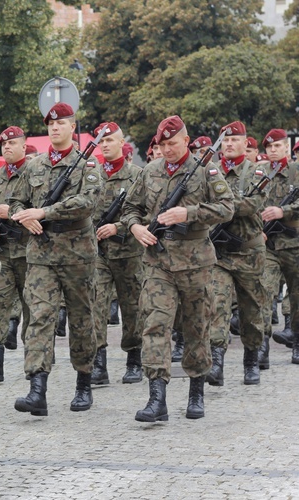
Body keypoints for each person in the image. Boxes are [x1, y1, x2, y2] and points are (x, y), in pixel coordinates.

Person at [120, 115, 234, 421]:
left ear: (186, 140)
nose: (167, 150)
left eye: (172, 143)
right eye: (162, 145)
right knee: (155, 325)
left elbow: (227, 208)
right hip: (158, 261)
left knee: (197, 326)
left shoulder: (205, 171)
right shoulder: (150, 172)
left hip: (196, 262)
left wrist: (190, 213)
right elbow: (130, 208)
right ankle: (157, 398)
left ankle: (196, 391)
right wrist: (135, 228)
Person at [8, 102, 101, 415]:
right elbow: (13, 202)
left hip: (78, 255)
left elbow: (87, 203)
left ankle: (84, 381)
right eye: (51, 124)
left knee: (81, 318)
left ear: (73, 128)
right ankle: (37, 388)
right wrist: (22, 216)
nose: (55, 128)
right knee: (39, 319)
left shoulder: (88, 166)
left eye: (61, 123)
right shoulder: (33, 166)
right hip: (42, 254)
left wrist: (45, 212)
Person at [205, 121, 268, 386]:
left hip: (249, 252)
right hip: (220, 254)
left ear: (245, 143)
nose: (229, 145)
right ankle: (216, 361)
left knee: (251, 310)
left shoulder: (256, 171)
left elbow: (252, 204)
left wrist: (219, 208)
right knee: (217, 306)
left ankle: (251, 359)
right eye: (225, 141)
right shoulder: (210, 171)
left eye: (234, 140)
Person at [90, 122, 145, 386]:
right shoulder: (92, 175)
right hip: (98, 254)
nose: (105, 145)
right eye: (101, 141)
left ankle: (134, 358)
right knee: (96, 306)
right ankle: (98, 364)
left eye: (110, 140)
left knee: (132, 307)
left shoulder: (137, 175)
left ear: (122, 142)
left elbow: (145, 211)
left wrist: (118, 226)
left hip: (129, 253)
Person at [0, 126, 31, 380]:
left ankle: (34, 363)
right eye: (4, 144)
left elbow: (42, 207)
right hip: (1, 251)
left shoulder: (35, 172)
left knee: (32, 307)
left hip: (29, 251)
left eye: (12, 143)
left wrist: (11, 213)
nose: (7, 147)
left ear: (24, 146)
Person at [260, 129, 299, 365]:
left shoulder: (296, 171)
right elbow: (250, 201)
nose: (273, 150)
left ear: (286, 147)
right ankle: (261, 348)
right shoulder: (259, 172)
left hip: (293, 242)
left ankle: (297, 341)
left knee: (296, 296)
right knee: (264, 293)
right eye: (269, 147)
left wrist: (284, 211)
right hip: (267, 245)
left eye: (277, 146)